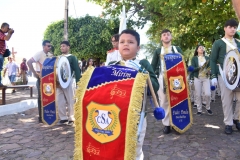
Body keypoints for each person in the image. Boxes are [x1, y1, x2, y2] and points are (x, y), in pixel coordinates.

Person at [110, 29, 159, 160]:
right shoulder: (112, 65)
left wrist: (142, 73)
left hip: (137, 114)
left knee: (135, 145)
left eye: (130, 42)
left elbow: (155, 85)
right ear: (117, 46)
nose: (126, 44)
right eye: (122, 42)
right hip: (116, 113)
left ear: (138, 47)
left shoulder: (143, 64)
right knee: (116, 144)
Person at [210, 19, 240, 134]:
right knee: (227, 100)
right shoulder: (218, 43)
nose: (233, 29)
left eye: (235, 27)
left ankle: (237, 118)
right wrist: (213, 75)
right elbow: (213, 60)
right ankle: (228, 123)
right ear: (225, 28)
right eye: (230, 27)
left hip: (238, 75)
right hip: (224, 75)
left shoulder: (238, 42)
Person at [151, 29, 183, 134]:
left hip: (176, 79)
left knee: (176, 100)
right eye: (164, 35)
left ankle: (176, 123)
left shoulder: (177, 49)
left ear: (171, 37)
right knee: (164, 100)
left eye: (168, 34)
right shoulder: (157, 51)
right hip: (162, 77)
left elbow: (183, 63)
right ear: (161, 38)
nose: (166, 36)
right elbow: (153, 66)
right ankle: (166, 124)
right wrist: (152, 79)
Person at [27, 40, 52, 123]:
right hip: (41, 78)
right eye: (48, 46)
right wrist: (34, 73)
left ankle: (48, 115)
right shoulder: (39, 54)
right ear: (43, 46)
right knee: (41, 97)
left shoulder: (51, 55)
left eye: (50, 46)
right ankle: (41, 117)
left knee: (49, 96)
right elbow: (29, 62)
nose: (49, 47)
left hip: (49, 79)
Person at [57, 41, 81, 125]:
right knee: (60, 100)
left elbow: (77, 70)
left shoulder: (72, 57)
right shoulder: (59, 58)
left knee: (71, 99)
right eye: (61, 46)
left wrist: (79, 82)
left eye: (63, 46)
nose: (62, 48)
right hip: (59, 82)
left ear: (68, 47)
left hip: (69, 81)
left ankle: (71, 118)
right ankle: (63, 118)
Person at [191, 45, 213, 116]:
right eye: (200, 48)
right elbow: (193, 69)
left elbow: (210, 67)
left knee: (208, 94)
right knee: (198, 94)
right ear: (197, 50)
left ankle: (208, 107)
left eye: (202, 48)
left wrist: (209, 71)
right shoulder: (194, 58)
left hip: (206, 78)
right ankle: (199, 110)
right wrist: (200, 67)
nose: (201, 49)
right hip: (197, 78)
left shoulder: (207, 58)